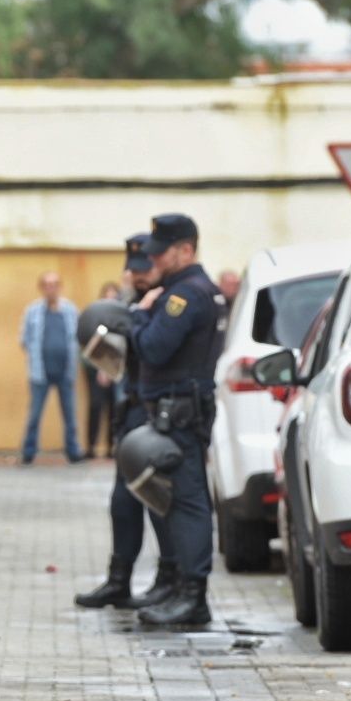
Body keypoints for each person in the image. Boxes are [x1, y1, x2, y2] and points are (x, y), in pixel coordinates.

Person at [127, 214, 226, 627]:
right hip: (182, 411)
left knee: (187, 504)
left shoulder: (184, 295)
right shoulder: (200, 290)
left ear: (185, 249)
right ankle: (182, 590)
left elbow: (154, 348)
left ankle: (193, 598)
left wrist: (138, 315)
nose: (156, 259)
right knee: (180, 502)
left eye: (162, 251)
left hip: (179, 414)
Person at [76, 234, 178, 611]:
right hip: (132, 411)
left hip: (160, 413)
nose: (138, 277)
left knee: (158, 499)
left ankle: (169, 578)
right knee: (123, 501)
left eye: (144, 269)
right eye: (132, 271)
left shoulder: (168, 302)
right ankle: (119, 580)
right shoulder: (132, 304)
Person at [18, 272, 85, 464]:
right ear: (42, 288)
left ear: (60, 287)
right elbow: (24, 339)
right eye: (47, 285)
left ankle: (73, 452)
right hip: (40, 373)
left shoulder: (71, 310)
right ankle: (28, 452)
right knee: (35, 414)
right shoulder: (33, 311)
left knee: (70, 416)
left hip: (66, 372)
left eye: (55, 284)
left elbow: (79, 338)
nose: (51, 288)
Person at [82, 280, 122, 458]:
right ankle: (91, 446)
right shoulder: (93, 318)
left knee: (115, 408)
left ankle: (111, 446)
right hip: (94, 369)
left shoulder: (122, 320)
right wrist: (100, 369)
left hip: (116, 370)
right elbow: (88, 345)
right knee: (96, 406)